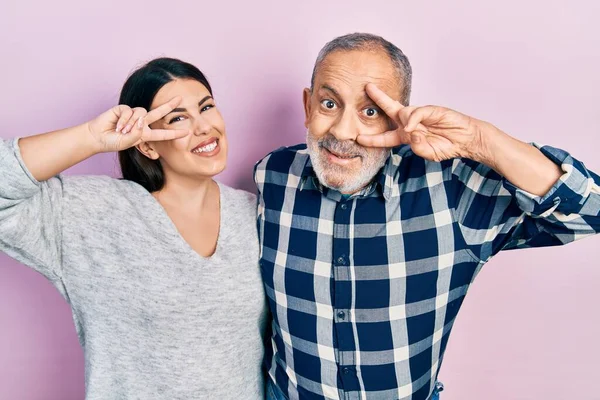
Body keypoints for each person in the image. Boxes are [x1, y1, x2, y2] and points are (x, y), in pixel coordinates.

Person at [255, 32, 600, 400]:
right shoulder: (272, 176)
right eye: (328, 103)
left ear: (398, 119)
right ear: (308, 107)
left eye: (370, 111)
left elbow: (590, 212)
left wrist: (478, 140)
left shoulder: (452, 191)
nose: (342, 131)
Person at [0, 58, 267, 399]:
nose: (204, 127)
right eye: (178, 118)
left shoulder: (254, 214)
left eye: (207, 107)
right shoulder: (92, 214)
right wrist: (92, 137)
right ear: (146, 144)